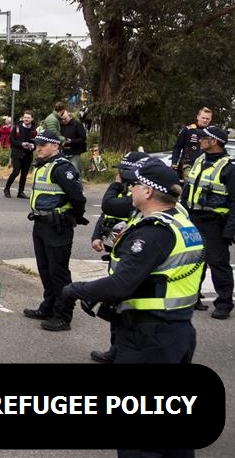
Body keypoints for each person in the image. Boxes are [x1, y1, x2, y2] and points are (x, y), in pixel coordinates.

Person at [63, 159, 204, 367]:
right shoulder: (180, 221)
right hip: (175, 328)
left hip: (149, 336)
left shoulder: (154, 232)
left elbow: (121, 284)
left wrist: (75, 290)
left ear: (147, 192)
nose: (131, 189)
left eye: (135, 185)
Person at [22, 129, 88, 332]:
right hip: (41, 224)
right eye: (37, 144)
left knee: (58, 272)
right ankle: (49, 306)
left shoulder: (61, 168)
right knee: (45, 269)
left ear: (55, 146)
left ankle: (63, 316)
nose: (38, 148)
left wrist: (72, 217)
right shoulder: (44, 166)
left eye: (43, 144)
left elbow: (78, 197)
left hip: (57, 226)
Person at [88, 151, 150, 364]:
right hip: (118, 255)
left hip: (134, 259)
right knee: (118, 309)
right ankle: (115, 350)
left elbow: (109, 205)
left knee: (131, 311)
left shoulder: (141, 195)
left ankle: (126, 353)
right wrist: (97, 235)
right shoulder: (130, 190)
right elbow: (106, 215)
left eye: (122, 172)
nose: (119, 175)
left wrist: (115, 185)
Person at [181, 125, 235, 320]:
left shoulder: (230, 167)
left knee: (218, 263)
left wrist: (229, 231)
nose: (200, 140)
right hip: (193, 219)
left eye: (204, 138)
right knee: (194, 261)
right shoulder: (200, 159)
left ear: (213, 142)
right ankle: (193, 298)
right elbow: (188, 189)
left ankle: (224, 304)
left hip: (215, 223)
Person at [171, 107, 212, 180]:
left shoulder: (212, 132)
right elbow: (177, 147)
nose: (205, 120)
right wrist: (174, 162)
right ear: (198, 117)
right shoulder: (188, 130)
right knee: (190, 184)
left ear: (210, 119)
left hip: (205, 165)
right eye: (203, 118)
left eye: (207, 119)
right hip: (188, 164)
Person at [4, 110, 37, 199]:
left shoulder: (34, 130)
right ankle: (7, 189)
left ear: (32, 119)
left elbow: (36, 142)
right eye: (25, 117)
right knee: (16, 171)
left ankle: (20, 191)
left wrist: (32, 146)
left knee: (24, 174)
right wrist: (21, 144)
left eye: (28, 118)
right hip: (17, 153)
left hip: (28, 154)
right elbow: (11, 140)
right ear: (23, 118)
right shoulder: (17, 127)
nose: (26, 119)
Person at [61, 110, 87, 175]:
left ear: (70, 116)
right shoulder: (61, 125)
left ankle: (77, 184)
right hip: (64, 152)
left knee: (75, 171)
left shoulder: (77, 124)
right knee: (64, 172)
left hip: (74, 152)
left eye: (65, 119)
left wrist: (72, 141)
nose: (64, 121)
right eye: (62, 119)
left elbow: (83, 138)